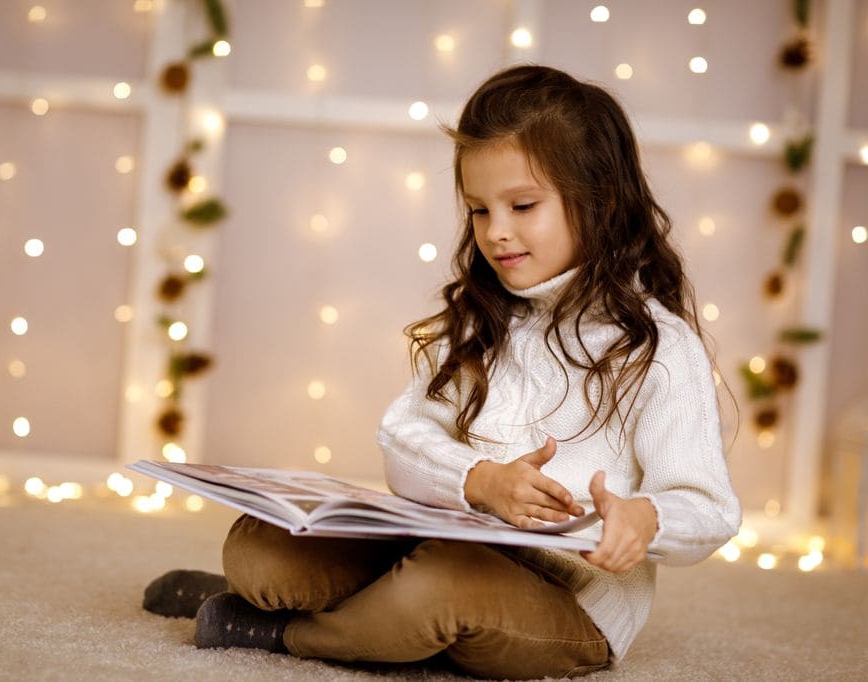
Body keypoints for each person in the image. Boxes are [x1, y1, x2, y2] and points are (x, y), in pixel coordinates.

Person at [142, 64, 742, 679]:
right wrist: (480, 481)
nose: (496, 232)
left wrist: (644, 517)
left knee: (438, 587)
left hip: (570, 604)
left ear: (601, 201)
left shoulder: (658, 349)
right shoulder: (481, 321)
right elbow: (403, 441)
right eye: (480, 210)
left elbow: (709, 506)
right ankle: (309, 604)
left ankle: (281, 630)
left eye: (523, 205)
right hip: (440, 549)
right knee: (261, 544)